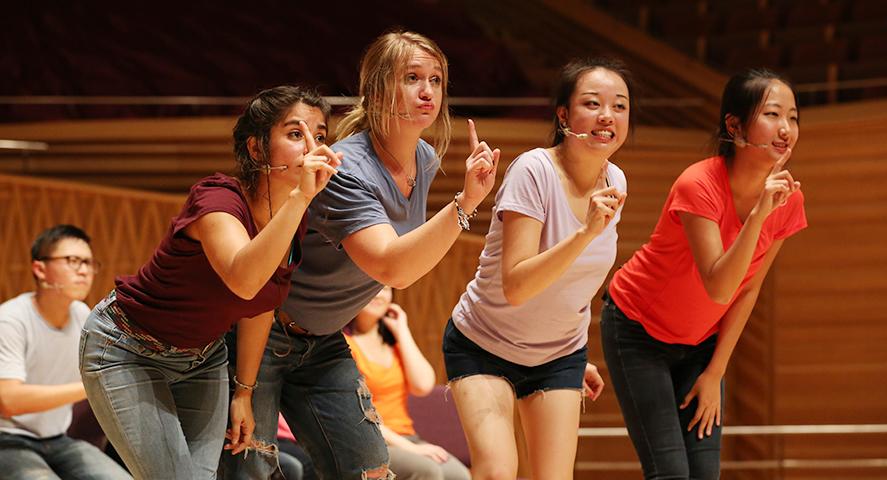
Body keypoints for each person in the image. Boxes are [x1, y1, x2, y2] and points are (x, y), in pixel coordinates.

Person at [221, 30, 499, 480]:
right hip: (264, 334)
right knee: (252, 472)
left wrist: (462, 204)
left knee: (370, 471)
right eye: (412, 77)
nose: (428, 91)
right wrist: (465, 204)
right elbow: (392, 266)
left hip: (324, 341)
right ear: (375, 90)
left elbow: (406, 258)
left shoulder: (424, 159)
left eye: (436, 79)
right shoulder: (346, 166)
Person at [79, 85, 341, 479]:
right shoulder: (217, 199)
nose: (312, 147)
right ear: (256, 150)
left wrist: (243, 393)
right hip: (127, 348)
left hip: (203, 361)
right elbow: (245, 280)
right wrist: (301, 199)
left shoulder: (292, 218)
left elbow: (261, 305)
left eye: (319, 136)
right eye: (295, 134)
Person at [600, 68, 807, 479]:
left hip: (700, 345)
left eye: (793, 117)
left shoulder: (789, 198)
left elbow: (747, 290)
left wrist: (715, 372)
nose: (785, 129)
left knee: (704, 474)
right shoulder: (699, 184)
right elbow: (719, 285)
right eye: (772, 114)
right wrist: (760, 214)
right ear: (734, 125)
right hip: (636, 330)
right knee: (672, 474)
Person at [444, 57, 631, 480]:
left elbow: (577, 285)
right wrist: (584, 233)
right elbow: (517, 285)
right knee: (497, 470)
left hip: (557, 354)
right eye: (592, 104)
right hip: (483, 343)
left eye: (619, 106)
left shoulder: (615, 180)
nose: (607, 116)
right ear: (563, 115)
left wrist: (573, 350)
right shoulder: (533, 170)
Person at [0, 225, 131, 480]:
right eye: (73, 261)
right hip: (7, 440)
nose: (84, 271)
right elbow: (8, 401)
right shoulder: (11, 319)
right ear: (40, 269)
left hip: (58, 440)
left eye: (89, 263)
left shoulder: (81, 314)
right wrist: (90, 387)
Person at [346, 286, 470, 480]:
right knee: (427, 471)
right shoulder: (344, 345)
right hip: (371, 441)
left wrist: (402, 329)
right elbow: (354, 413)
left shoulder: (394, 344)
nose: (379, 294)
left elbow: (423, 385)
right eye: (371, 287)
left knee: (458, 475)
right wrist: (412, 449)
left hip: (405, 436)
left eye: (385, 289)